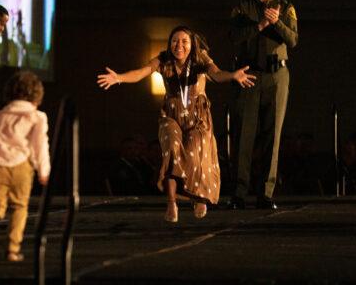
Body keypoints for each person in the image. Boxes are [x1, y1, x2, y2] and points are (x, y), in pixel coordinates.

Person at [97, 26, 256, 222]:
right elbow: (141, 72)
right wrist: (119, 78)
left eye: (184, 41)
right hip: (171, 115)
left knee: (196, 147)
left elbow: (216, 74)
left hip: (198, 117)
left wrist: (232, 75)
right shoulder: (163, 59)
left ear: (192, 44)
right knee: (172, 148)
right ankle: (171, 202)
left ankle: (199, 196)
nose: (178, 45)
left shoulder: (201, 58)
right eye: (174, 41)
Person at [228, 0, 298, 210]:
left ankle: (265, 194)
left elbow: (293, 39)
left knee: (272, 135)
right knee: (244, 135)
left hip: (277, 74)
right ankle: (238, 193)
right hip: (249, 74)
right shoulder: (242, 7)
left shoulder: (286, 7)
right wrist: (258, 26)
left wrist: (276, 23)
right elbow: (233, 37)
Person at [0, 70, 50, 262]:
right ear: (37, 95)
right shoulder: (37, 117)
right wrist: (44, 170)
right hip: (22, 167)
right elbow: (40, 145)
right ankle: (12, 249)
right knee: (20, 206)